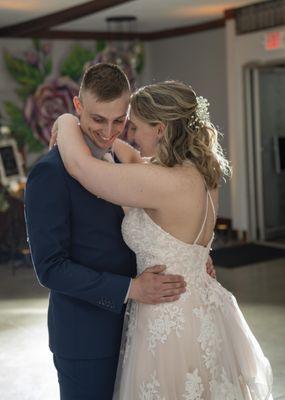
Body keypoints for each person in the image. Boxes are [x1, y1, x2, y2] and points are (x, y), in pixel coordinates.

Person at [55, 80, 273, 399]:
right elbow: (132, 161)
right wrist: (108, 140)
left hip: (170, 320)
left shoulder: (162, 181)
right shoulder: (201, 172)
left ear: (159, 129)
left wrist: (65, 122)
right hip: (201, 308)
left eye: (136, 126)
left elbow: (80, 167)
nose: (130, 134)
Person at [25, 64, 215, 400]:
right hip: (88, 338)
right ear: (78, 106)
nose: (109, 132)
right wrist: (130, 289)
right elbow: (50, 267)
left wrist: (190, 258)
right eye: (98, 119)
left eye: (120, 121)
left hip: (147, 330)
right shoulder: (50, 173)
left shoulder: (130, 164)